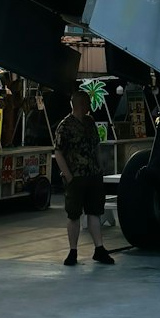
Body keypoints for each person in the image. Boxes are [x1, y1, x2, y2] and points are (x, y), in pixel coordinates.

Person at [54, 90, 114, 265]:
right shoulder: (65, 126)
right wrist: (69, 176)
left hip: (93, 174)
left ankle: (99, 248)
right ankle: (73, 251)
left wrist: (100, 167)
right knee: (73, 214)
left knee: (94, 211)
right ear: (79, 104)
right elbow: (58, 153)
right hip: (76, 176)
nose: (89, 106)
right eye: (87, 103)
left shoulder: (90, 122)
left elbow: (96, 145)